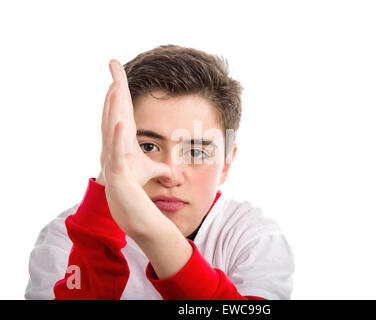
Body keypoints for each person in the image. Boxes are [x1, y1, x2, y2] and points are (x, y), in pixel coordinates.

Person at [25, 44, 295, 300]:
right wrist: (105, 202)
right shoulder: (66, 238)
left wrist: (151, 231)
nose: (169, 174)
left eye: (196, 152)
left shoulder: (254, 238)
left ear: (225, 164)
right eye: (149, 146)